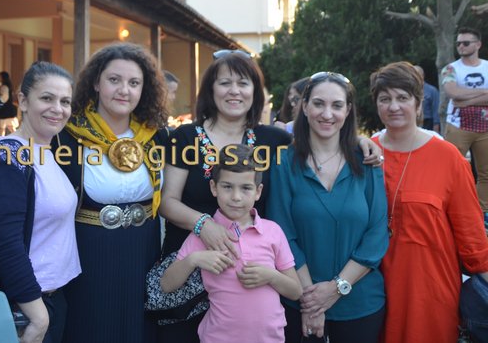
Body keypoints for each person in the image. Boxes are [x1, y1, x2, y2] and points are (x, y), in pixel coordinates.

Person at [158, 50, 293, 341]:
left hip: (248, 278)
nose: (234, 91)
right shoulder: (185, 137)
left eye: (243, 83)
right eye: (225, 83)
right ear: (211, 89)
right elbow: (167, 202)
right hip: (189, 269)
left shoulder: (275, 140)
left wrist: (360, 143)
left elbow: (323, 142)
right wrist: (203, 225)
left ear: (255, 91)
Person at [370, 62, 488, 343]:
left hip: (430, 289)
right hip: (372, 287)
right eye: (385, 99)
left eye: (402, 97)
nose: (394, 106)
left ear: (419, 102)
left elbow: (471, 235)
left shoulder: (448, 158)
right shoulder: (364, 153)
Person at [59, 42, 169, 343]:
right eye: (114, 80)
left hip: (143, 252)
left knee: (138, 328)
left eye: (134, 83)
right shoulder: (67, 137)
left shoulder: (156, 136)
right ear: (96, 83)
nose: (124, 90)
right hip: (89, 253)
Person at [268, 72, 388, 342]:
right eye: (319, 103)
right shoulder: (284, 163)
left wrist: (336, 287)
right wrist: (310, 301)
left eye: (337, 105)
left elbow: (377, 233)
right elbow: (282, 234)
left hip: (360, 304)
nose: (327, 114)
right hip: (299, 301)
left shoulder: (367, 162)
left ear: (348, 110)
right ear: (305, 106)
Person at [0, 62, 80, 343]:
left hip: (52, 299)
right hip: (25, 307)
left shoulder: (47, 152)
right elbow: (4, 243)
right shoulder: (7, 158)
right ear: (22, 101)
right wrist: (37, 315)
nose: (58, 109)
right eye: (47, 98)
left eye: (65, 101)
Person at [161, 145, 302, 343]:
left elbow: (296, 291)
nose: (236, 197)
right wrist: (194, 259)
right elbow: (166, 285)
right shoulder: (205, 235)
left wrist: (271, 276)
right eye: (227, 187)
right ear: (214, 188)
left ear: (258, 191)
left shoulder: (273, 232)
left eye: (246, 188)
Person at [441, 27, 488, 221]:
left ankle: (483, 213)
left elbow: (460, 96)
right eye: (458, 43)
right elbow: (453, 93)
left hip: (485, 128)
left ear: (478, 45)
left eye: (466, 43)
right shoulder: (451, 69)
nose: (461, 46)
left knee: (486, 173)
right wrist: (484, 92)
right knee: (449, 169)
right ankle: (447, 208)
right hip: (458, 127)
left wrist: (465, 101)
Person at [412, 65, 440, 133]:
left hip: (428, 123)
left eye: (417, 74)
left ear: (422, 76)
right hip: (412, 122)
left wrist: (436, 126)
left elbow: (436, 109)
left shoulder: (432, 90)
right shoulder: (407, 91)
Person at [0, 71, 19, 136]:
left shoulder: (4, 87)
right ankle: (17, 139)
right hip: (8, 109)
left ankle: (2, 140)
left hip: (5, 109)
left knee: (3, 128)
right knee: (10, 127)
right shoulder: (7, 86)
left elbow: (4, 97)